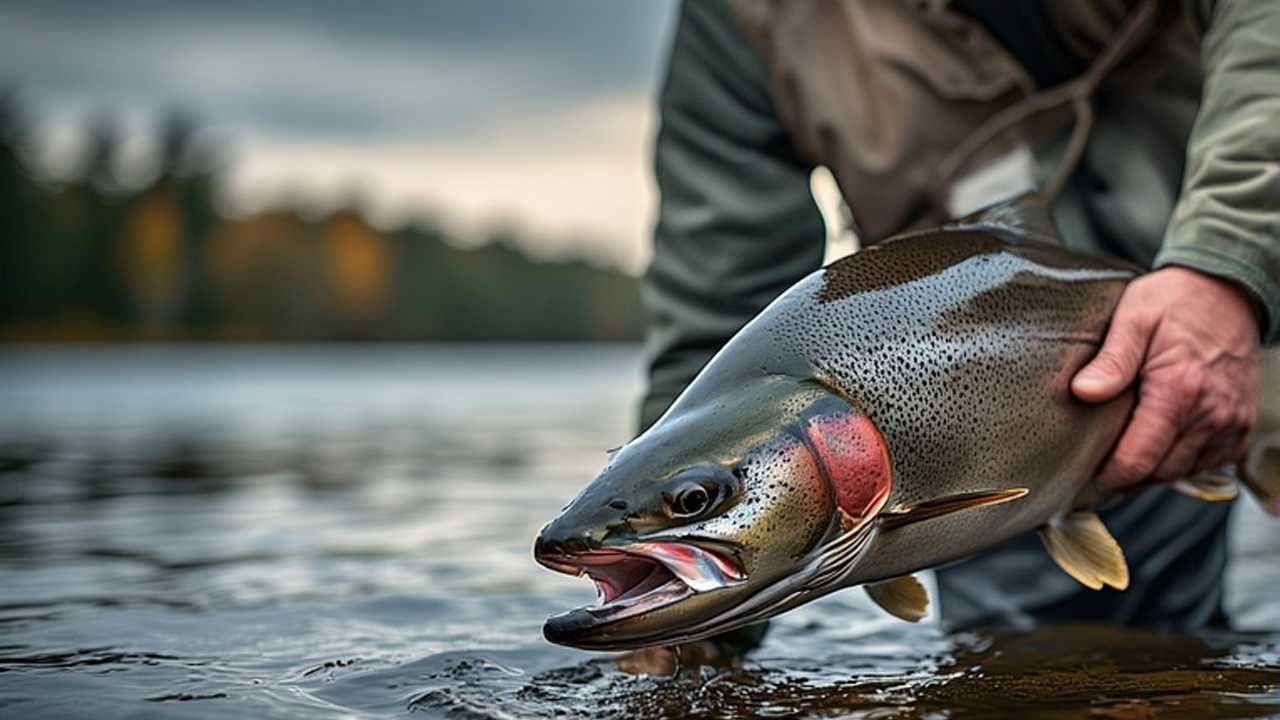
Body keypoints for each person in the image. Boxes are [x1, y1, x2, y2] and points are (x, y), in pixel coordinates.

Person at [640, 0, 1276, 631]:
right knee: (1038, 667)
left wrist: (1226, 264)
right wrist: (690, 633)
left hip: (1249, 270)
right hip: (979, 432)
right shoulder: (737, 18)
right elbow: (717, 320)